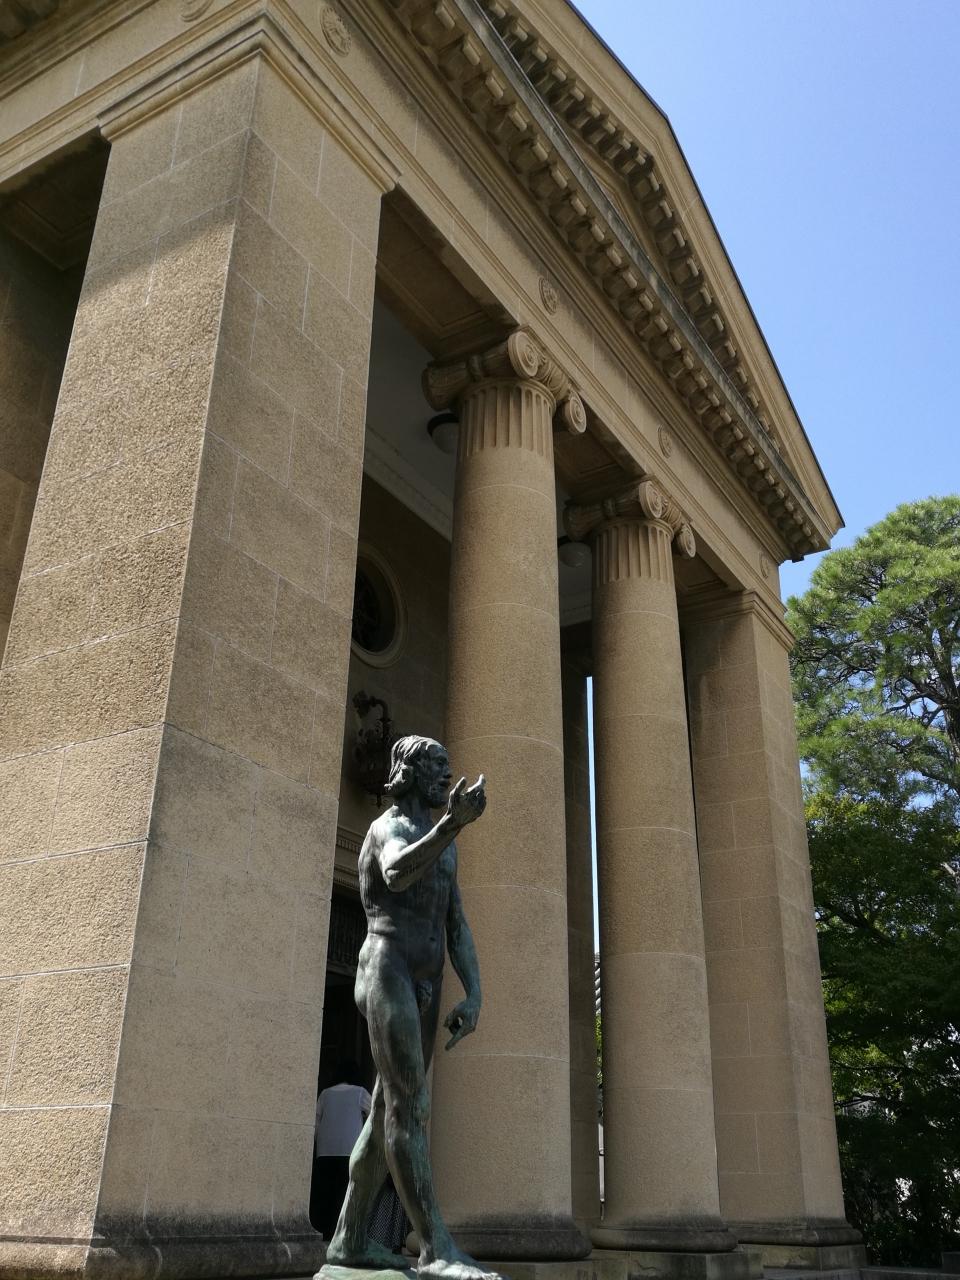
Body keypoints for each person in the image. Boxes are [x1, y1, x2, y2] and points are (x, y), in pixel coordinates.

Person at [322, 736, 501, 1280]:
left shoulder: (444, 842)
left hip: (425, 982)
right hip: (386, 970)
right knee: (410, 1106)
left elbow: (456, 923)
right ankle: (435, 1247)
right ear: (409, 771)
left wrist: (474, 992)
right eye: (436, 765)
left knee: (385, 1114)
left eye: (448, 765)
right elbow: (398, 873)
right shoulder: (387, 828)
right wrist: (451, 825)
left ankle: (349, 1239)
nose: (447, 774)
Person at [312, 1060, 372, 1240]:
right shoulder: (360, 1093)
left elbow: (316, 1122)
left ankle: (325, 1231)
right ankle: (342, 1235)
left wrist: (317, 1143)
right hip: (350, 1150)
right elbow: (375, 1115)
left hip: (325, 1151)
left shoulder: (325, 1094)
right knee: (345, 1195)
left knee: (325, 1194)